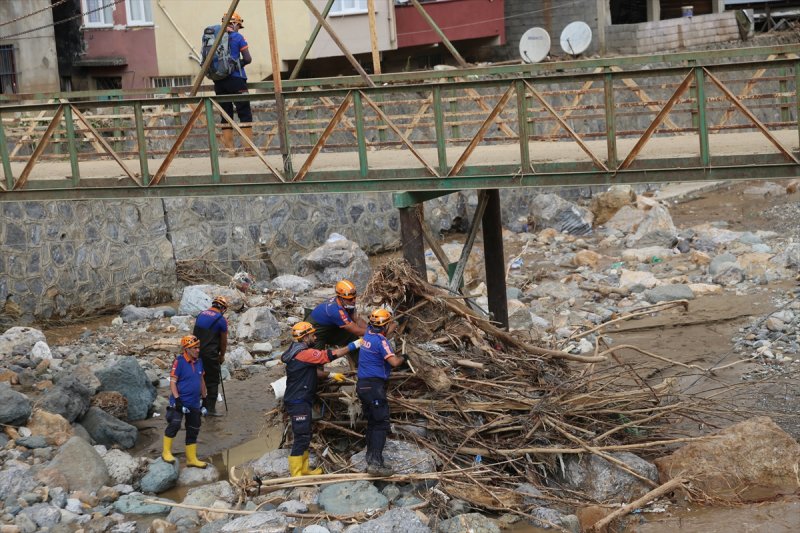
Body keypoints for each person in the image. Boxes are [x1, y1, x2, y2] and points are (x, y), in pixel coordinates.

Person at [282, 321, 362, 477]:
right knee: (302, 435)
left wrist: (330, 374)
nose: (315, 336)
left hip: (301, 399)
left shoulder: (298, 351)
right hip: (298, 400)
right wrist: (354, 345)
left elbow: (312, 371)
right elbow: (329, 356)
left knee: (306, 433)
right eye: (312, 334)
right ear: (305, 337)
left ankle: (304, 469)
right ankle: (296, 473)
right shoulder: (304, 353)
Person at [356, 308, 405, 477]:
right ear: (385, 326)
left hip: (362, 386)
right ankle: (376, 464)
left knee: (372, 423)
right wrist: (405, 357)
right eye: (390, 324)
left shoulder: (368, 335)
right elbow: (394, 362)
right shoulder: (380, 340)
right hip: (374, 387)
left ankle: (371, 460)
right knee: (380, 424)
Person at [162, 335, 208, 468]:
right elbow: (173, 382)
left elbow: (201, 380)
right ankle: (166, 452)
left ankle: (191, 459)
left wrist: (204, 399)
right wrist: (177, 400)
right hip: (180, 401)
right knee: (175, 424)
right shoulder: (179, 361)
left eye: (198, 347)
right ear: (187, 349)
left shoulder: (199, 361)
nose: (198, 350)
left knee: (194, 428)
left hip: (194, 402)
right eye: (195, 348)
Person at [212, 11, 252, 150]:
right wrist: (235, 65)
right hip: (236, 80)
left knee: (225, 114)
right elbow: (247, 59)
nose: (238, 29)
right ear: (234, 23)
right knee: (244, 112)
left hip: (219, 81)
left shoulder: (214, 37)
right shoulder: (238, 37)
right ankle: (248, 150)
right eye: (238, 26)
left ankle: (230, 151)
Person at [307, 280, 367, 362]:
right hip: (316, 331)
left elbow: (357, 319)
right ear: (340, 298)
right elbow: (356, 330)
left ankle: (359, 365)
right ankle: (320, 373)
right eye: (350, 299)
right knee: (317, 358)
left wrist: (371, 329)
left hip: (331, 327)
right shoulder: (336, 311)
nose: (354, 301)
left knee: (352, 337)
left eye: (354, 297)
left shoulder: (347, 303)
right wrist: (376, 332)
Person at [193, 295, 228, 416]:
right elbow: (223, 342)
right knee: (212, 380)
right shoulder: (221, 320)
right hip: (210, 354)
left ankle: (196, 405)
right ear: (223, 308)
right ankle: (210, 409)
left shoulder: (201, 314)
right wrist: (222, 356)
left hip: (194, 351)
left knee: (198, 377)